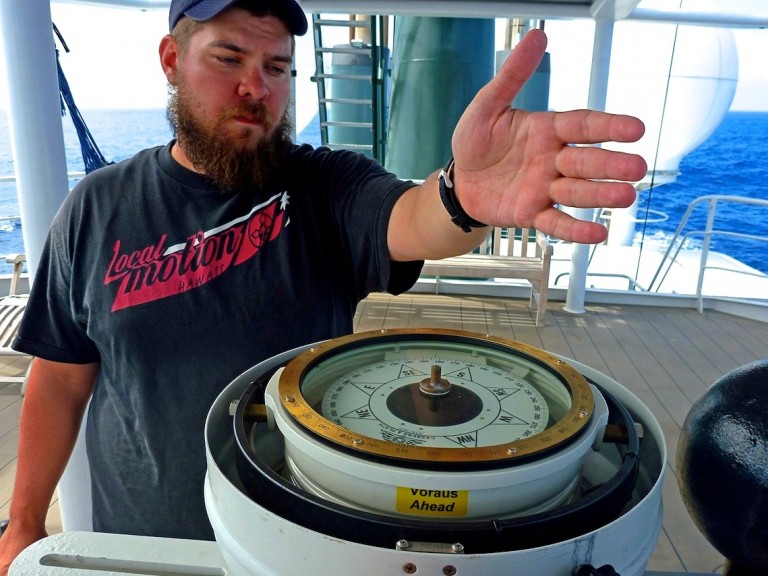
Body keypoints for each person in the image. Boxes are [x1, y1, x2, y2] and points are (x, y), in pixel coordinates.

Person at [0, 0, 647, 572]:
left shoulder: (322, 188)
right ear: (172, 58)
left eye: (277, 67)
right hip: (144, 547)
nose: (256, 87)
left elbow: (411, 219)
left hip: (301, 544)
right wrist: (26, 518)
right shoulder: (94, 209)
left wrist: (462, 197)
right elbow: (60, 376)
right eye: (229, 57)